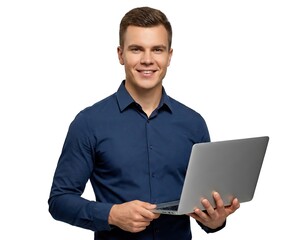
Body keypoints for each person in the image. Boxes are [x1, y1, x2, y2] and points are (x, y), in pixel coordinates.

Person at [48, 6, 240, 240]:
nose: (147, 60)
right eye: (136, 49)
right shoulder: (89, 122)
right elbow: (60, 200)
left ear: (169, 56)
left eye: (157, 50)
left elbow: (205, 207)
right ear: (120, 54)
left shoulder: (194, 124)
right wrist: (111, 214)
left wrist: (216, 220)